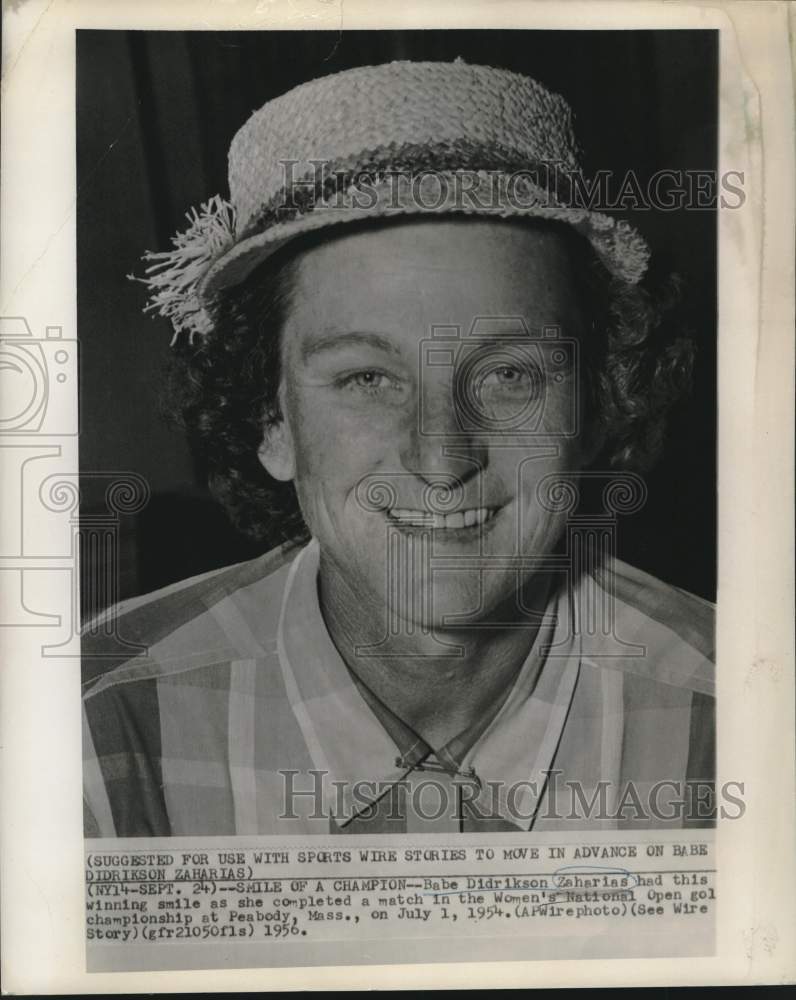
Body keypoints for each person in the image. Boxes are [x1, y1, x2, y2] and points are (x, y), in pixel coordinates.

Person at [82, 59, 715, 837]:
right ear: (269, 420)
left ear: (597, 406)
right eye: (367, 378)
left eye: (509, 374)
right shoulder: (95, 721)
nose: (442, 458)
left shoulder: (740, 711)